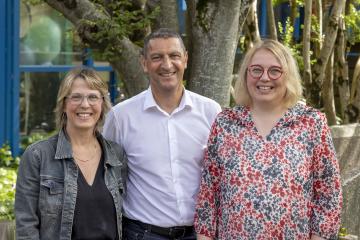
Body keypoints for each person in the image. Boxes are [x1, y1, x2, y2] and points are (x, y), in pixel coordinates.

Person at [194, 39, 342, 240]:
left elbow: (329, 192)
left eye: (274, 71)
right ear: (246, 74)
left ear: (287, 76)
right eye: (256, 70)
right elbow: (208, 194)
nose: (264, 78)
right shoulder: (226, 123)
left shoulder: (311, 123)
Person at [102, 28, 221, 240]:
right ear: (144, 63)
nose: (167, 65)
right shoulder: (121, 117)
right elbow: (106, 177)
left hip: (200, 234)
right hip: (142, 234)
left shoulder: (211, 112)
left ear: (185, 59)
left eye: (174, 56)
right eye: (157, 57)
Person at [15, 67, 127, 240]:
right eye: (76, 97)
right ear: (64, 104)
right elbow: (26, 225)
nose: (85, 104)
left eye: (93, 97)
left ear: (102, 104)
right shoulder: (38, 156)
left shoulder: (116, 155)